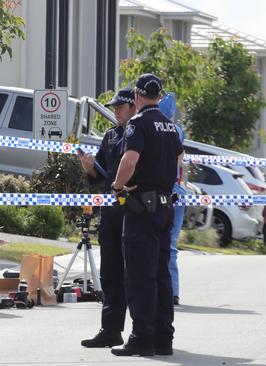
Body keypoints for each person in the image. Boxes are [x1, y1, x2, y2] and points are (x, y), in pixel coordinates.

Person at [111, 74, 183, 356]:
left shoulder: (138, 124)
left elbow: (129, 160)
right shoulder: (171, 127)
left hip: (142, 208)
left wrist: (117, 187)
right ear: (159, 95)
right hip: (165, 207)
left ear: (138, 96)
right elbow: (179, 159)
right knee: (161, 275)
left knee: (140, 275)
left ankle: (142, 337)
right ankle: (163, 338)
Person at [79, 88, 135, 348]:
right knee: (111, 273)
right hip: (110, 212)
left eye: (120, 107)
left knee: (135, 274)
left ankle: (143, 331)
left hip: (133, 212)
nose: (115, 111)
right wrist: (89, 168)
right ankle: (110, 329)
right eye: (114, 107)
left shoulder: (139, 133)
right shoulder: (111, 136)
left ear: (134, 106)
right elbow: (99, 177)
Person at [158, 92, 186, 306]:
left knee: (153, 242)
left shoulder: (153, 128)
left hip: (161, 194)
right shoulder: (178, 131)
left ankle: (157, 289)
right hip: (179, 194)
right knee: (172, 245)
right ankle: (172, 291)